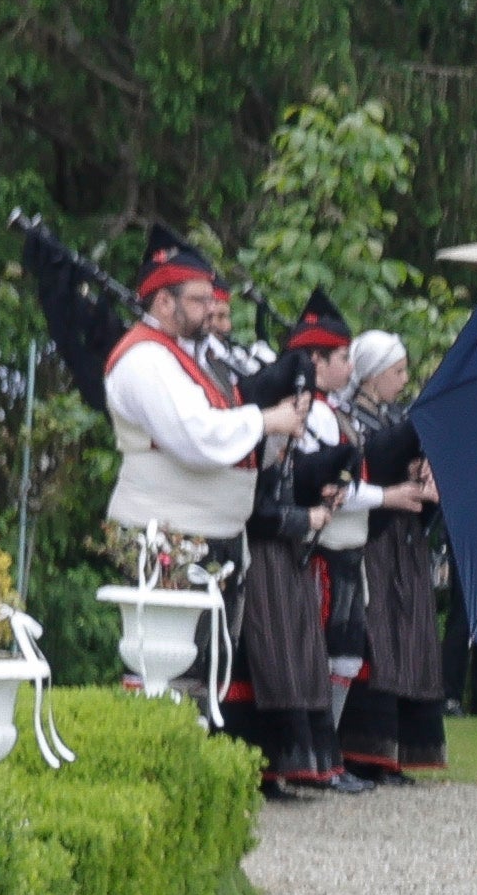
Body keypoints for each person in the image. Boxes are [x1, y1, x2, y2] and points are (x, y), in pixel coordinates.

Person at [235, 298, 364, 799]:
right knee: (271, 664)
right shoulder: (260, 438)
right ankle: (268, 770)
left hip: (285, 559)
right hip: (264, 559)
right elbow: (256, 508)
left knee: (295, 662)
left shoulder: (288, 436)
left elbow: (290, 484)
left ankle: (295, 766)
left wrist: (322, 487)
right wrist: (302, 518)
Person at [95, 237, 266, 606]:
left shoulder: (188, 356)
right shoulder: (145, 358)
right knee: (172, 642)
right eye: (199, 300)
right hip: (168, 535)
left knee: (212, 642)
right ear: (164, 301)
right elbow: (196, 437)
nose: (211, 308)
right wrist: (265, 421)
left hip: (206, 533)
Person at [332, 331, 450, 786]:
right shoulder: (349, 418)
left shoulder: (393, 417)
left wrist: (426, 475)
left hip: (406, 541)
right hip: (375, 541)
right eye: (397, 372)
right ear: (373, 374)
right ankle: (364, 750)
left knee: (410, 640)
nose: (403, 380)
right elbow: (367, 466)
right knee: (378, 640)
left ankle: (398, 752)